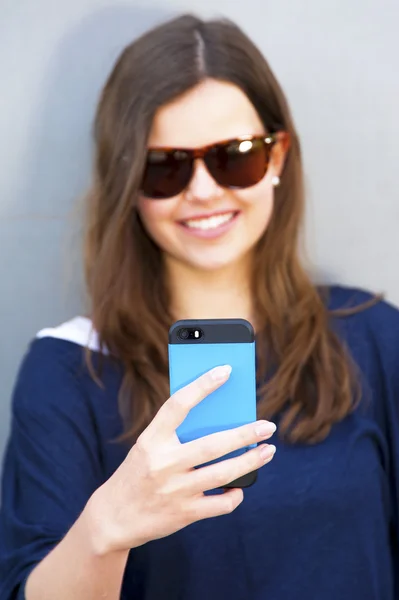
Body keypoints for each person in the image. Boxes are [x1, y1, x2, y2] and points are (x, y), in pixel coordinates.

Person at [0, 12, 398, 600]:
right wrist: (104, 532)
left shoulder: (373, 336)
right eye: (166, 166)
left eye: (235, 155)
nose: (205, 191)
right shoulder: (67, 370)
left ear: (279, 156)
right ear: (127, 181)